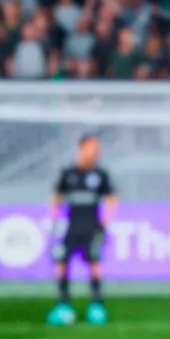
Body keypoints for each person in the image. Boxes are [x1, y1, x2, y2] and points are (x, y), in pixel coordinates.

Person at [49, 135, 117, 326]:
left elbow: (112, 198)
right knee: (62, 263)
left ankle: (96, 305)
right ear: (81, 148)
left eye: (97, 148)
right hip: (70, 228)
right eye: (92, 147)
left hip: (92, 228)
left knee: (94, 263)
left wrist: (106, 221)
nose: (95, 152)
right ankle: (64, 305)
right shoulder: (68, 173)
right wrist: (55, 218)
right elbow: (56, 196)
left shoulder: (100, 174)